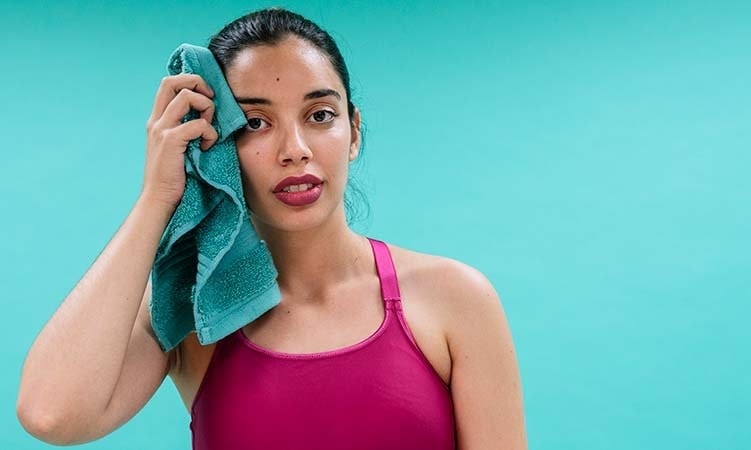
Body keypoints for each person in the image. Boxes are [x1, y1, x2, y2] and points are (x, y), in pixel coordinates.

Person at [17, 7, 527, 449]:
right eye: (254, 123)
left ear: (353, 132)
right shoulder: (197, 311)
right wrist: (157, 198)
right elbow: (50, 415)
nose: (294, 149)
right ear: (212, 146)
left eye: (320, 114)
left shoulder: (456, 300)